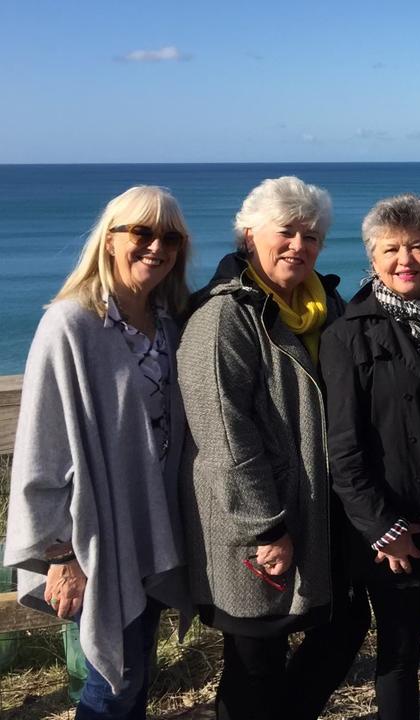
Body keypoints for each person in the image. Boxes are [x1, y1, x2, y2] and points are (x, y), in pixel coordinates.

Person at [177, 176, 369, 720]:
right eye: (285, 232)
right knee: (254, 660)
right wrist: (263, 526)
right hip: (257, 523)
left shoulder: (325, 304)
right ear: (248, 236)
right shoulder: (224, 316)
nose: (299, 246)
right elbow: (222, 435)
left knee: (344, 626)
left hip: (319, 515)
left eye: (311, 236)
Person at [4, 186, 192, 719]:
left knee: (134, 678)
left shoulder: (170, 325)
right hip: (96, 538)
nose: (156, 247)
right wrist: (60, 557)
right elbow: (40, 449)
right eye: (141, 232)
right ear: (109, 240)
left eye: (170, 237)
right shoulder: (71, 325)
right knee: (114, 683)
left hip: (154, 531)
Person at [320, 194, 420, 720]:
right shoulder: (348, 333)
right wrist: (383, 527)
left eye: (418, 246)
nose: (406, 260)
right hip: (403, 525)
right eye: (391, 249)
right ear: (372, 258)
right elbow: (345, 448)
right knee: (401, 653)